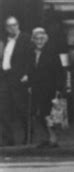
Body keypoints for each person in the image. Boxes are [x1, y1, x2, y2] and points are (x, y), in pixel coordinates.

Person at [28, 27, 65, 148]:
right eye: (37, 39)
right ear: (33, 40)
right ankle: (49, 136)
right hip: (37, 88)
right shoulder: (32, 53)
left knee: (48, 113)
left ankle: (53, 137)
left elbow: (59, 71)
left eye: (42, 38)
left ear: (46, 39)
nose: (39, 41)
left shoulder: (51, 52)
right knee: (40, 114)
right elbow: (32, 70)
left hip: (50, 88)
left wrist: (59, 88)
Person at [0, 16, 31, 146]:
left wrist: (28, 74)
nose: (12, 27)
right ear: (6, 28)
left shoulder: (25, 38)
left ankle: (28, 136)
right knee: (3, 108)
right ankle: (8, 138)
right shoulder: (5, 41)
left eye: (14, 25)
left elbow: (30, 57)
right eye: (9, 26)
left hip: (19, 78)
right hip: (5, 77)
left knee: (21, 108)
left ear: (18, 25)